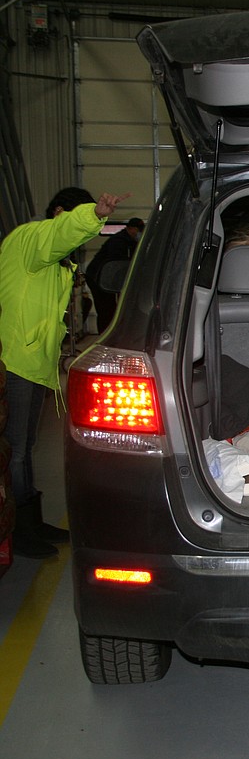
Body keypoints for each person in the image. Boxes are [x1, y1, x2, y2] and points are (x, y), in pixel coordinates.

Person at [1, 188, 129, 559]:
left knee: (24, 448)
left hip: (30, 363)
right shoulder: (31, 238)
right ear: (59, 211)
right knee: (18, 452)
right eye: (75, 215)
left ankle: (29, 520)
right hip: (15, 361)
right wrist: (94, 214)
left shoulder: (56, 262)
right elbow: (57, 235)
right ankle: (19, 530)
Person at [86, 216, 143, 332]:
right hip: (98, 279)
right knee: (105, 309)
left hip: (106, 279)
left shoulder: (128, 241)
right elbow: (118, 264)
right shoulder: (119, 241)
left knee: (110, 309)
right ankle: (104, 336)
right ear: (131, 228)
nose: (139, 234)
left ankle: (110, 333)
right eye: (139, 230)